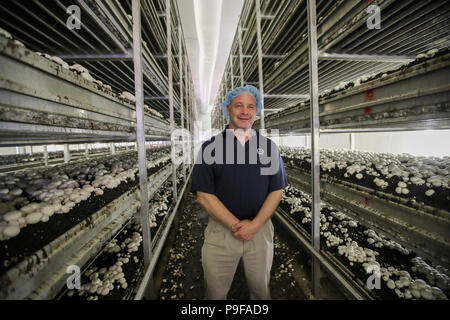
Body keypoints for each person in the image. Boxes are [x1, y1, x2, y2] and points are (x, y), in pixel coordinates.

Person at [191, 85, 288, 300]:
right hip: (222, 233)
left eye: (251, 106)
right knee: (215, 293)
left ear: (257, 111)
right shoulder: (210, 148)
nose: (245, 111)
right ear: (228, 109)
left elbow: (276, 190)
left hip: (260, 231)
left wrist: (254, 226)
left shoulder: (269, 147)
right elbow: (204, 195)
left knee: (261, 291)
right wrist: (236, 226)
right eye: (239, 105)